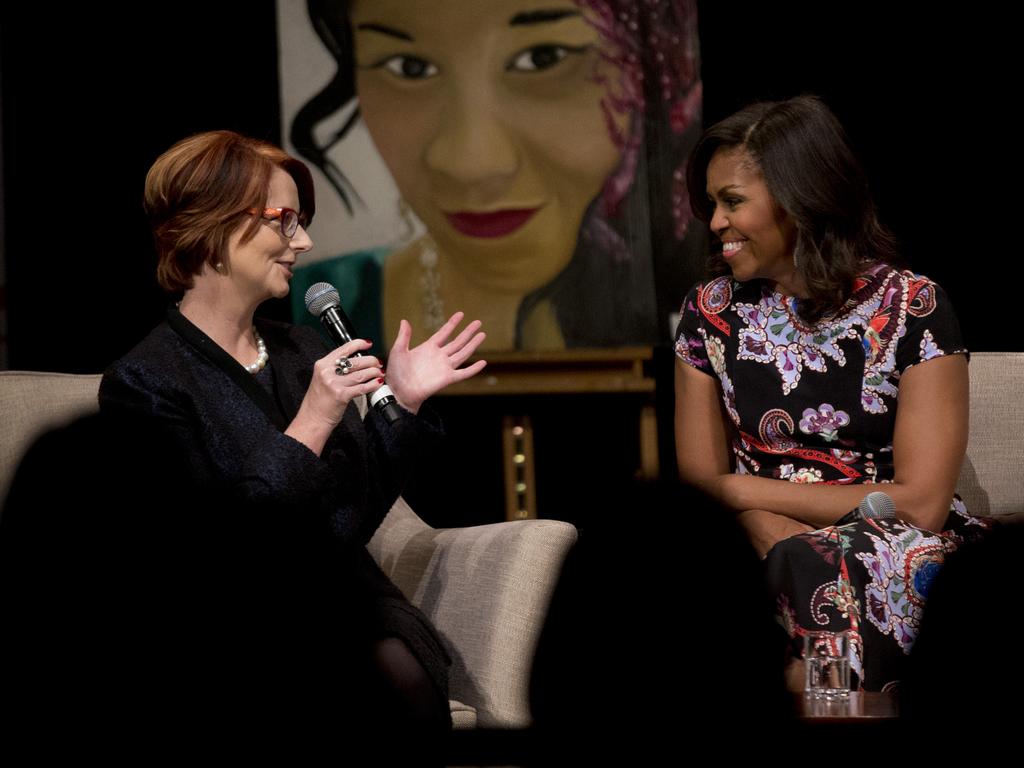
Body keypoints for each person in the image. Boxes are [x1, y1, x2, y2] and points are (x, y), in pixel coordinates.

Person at [95, 130, 486, 749]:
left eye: (300, 223)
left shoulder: (303, 348)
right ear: (215, 226)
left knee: (400, 677)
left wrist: (403, 403)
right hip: (234, 626)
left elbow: (350, 515)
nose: (302, 243)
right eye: (284, 221)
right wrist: (311, 423)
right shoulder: (144, 382)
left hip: (344, 604)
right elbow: (214, 554)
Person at [673, 95, 993, 691]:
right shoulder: (709, 314)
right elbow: (698, 494)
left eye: (732, 201)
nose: (715, 222)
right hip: (747, 535)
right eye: (713, 204)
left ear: (799, 201)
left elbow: (921, 503)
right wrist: (751, 516)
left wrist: (744, 493)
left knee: (811, 560)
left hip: (888, 540)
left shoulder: (913, 307)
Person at [289, 0, 704, 351]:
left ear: (651, 72)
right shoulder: (311, 309)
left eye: (543, 58)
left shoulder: (713, 305)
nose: (472, 163)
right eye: (410, 67)